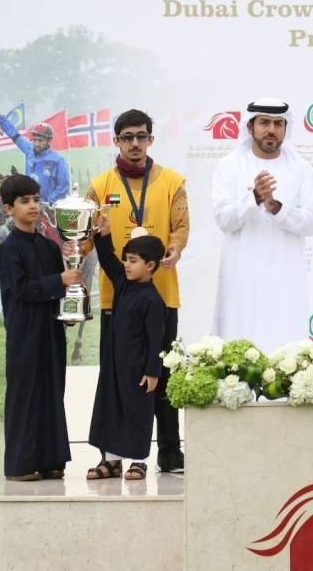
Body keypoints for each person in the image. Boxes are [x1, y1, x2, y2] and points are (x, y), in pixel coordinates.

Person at [79, 109, 189, 473]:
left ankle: (169, 452)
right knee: (116, 378)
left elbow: (180, 227)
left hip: (162, 297)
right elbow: (85, 236)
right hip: (117, 300)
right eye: (128, 137)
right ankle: (111, 456)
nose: (135, 143)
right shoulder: (99, 186)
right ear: (116, 141)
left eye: (142, 136)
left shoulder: (173, 181)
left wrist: (175, 249)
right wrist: (76, 247)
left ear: (151, 140)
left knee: (161, 376)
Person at [211, 99, 313, 348]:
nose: (272, 129)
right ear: (250, 127)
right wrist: (254, 199)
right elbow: (224, 220)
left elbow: (312, 223)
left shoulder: (301, 168)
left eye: (278, 124)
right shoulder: (229, 165)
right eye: (264, 123)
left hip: (285, 277)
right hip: (242, 277)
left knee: (285, 347)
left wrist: (277, 208)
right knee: (240, 347)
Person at [0, 174, 78, 481]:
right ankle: (20, 464)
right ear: (9, 208)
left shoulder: (49, 247)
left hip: (51, 330)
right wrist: (60, 280)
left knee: (52, 391)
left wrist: (70, 308)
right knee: (25, 393)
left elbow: (58, 291)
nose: (32, 206)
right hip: (24, 332)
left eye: (35, 199)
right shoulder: (8, 249)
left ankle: (51, 459)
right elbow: (22, 289)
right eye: (24, 201)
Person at [86, 212, 166, 480]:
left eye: (133, 261)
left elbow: (156, 340)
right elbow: (107, 259)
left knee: (137, 412)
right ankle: (111, 461)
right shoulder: (123, 283)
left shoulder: (153, 300)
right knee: (110, 409)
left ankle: (139, 461)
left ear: (150, 265)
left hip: (138, 370)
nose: (127, 265)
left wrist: (152, 371)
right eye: (126, 260)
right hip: (114, 364)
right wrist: (105, 234)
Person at [0, 106, 70, 204]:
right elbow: (13, 133)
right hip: (30, 203)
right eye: (35, 140)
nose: (37, 144)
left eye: (40, 141)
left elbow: (63, 187)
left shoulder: (58, 160)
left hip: (48, 207)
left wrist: (49, 202)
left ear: (49, 141)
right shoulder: (29, 149)